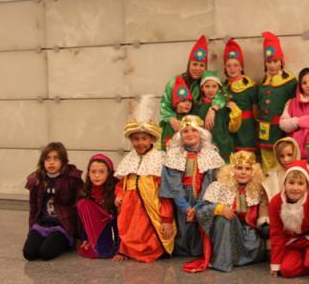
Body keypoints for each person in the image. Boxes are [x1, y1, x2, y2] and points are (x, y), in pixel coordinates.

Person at [113, 99, 175, 262]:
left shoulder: (159, 159)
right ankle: (125, 251)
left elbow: (166, 192)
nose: (140, 143)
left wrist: (167, 219)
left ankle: (150, 251)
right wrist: (119, 195)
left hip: (151, 206)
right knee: (128, 229)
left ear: (152, 139)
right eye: (136, 139)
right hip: (129, 208)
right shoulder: (129, 159)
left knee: (148, 231)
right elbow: (121, 184)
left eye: (144, 139)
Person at [160, 115, 223, 264]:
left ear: (201, 133)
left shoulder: (211, 155)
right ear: (180, 136)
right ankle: (182, 250)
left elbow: (211, 182)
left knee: (200, 223)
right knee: (183, 225)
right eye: (185, 131)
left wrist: (198, 206)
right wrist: (185, 206)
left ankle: (201, 249)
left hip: (203, 196)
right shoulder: (174, 155)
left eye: (194, 130)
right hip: (181, 197)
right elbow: (173, 182)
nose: (190, 134)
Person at [194, 151, 267, 272]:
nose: (243, 172)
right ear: (231, 170)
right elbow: (200, 211)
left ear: (253, 172)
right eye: (239, 168)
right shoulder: (219, 186)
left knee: (254, 245)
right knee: (225, 219)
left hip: (246, 232)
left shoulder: (257, 190)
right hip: (224, 230)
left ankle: (234, 257)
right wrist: (218, 208)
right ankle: (222, 262)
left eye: (248, 169)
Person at [23, 142, 82, 261]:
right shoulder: (36, 180)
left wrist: (79, 235)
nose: (51, 162)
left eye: (56, 158)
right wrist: (31, 229)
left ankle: (65, 242)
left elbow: (79, 208)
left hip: (62, 225)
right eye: (47, 159)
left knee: (46, 253)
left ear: (63, 161)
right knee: (29, 253)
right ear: (42, 162)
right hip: (42, 223)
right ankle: (46, 239)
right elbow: (33, 207)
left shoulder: (72, 179)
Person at [268, 161, 309, 278]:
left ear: (307, 186)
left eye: (300, 184)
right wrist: (276, 264)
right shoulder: (275, 203)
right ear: (284, 184)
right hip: (292, 242)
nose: (295, 188)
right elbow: (277, 234)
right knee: (286, 271)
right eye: (291, 183)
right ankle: (308, 265)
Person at [159, 35, 225, 137]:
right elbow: (165, 104)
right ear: (189, 64)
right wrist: (171, 119)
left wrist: (213, 109)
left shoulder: (206, 83)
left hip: (196, 130)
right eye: (195, 64)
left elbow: (222, 93)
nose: (198, 68)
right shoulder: (175, 81)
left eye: (202, 65)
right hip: (176, 127)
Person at [257, 31, 298, 171]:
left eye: (275, 61)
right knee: (266, 162)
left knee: (281, 160)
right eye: (269, 62)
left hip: (280, 130)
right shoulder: (262, 83)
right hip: (264, 130)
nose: (272, 65)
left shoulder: (290, 82)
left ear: (281, 62)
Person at [76, 154, 120, 259]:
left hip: (112, 232)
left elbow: (120, 222)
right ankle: (91, 240)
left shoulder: (116, 191)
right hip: (94, 233)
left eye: (101, 172)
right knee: (83, 203)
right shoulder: (86, 191)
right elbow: (84, 221)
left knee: (104, 251)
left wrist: (121, 249)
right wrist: (85, 237)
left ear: (109, 173)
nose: (96, 176)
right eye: (93, 172)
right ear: (88, 173)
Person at [222, 38, 258, 154]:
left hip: (246, 128)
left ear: (241, 67)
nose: (232, 68)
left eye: (235, 65)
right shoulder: (223, 86)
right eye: (229, 66)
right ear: (225, 68)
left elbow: (256, 108)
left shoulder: (250, 85)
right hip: (228, 127)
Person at [194, 71, 240, 160]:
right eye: (207, 86)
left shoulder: (224, 105)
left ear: (219, 88)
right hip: (205, 145)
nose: (210, 90)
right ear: (202, 88)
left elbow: (231, 126)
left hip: (223, 145)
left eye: (214, 86)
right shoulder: (198, 106)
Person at [261, 137, 309, 201]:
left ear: (296, 153)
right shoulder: (271, 176)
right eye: (281, 156)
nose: (286, 159)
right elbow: (264, 204)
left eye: (289, 155)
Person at [159, 76, 194, 149]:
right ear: (176, 104)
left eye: (190, 101)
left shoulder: (192, 119)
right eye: (183, 101)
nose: (188, 104)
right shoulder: (171, 121)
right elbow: (166, 141)